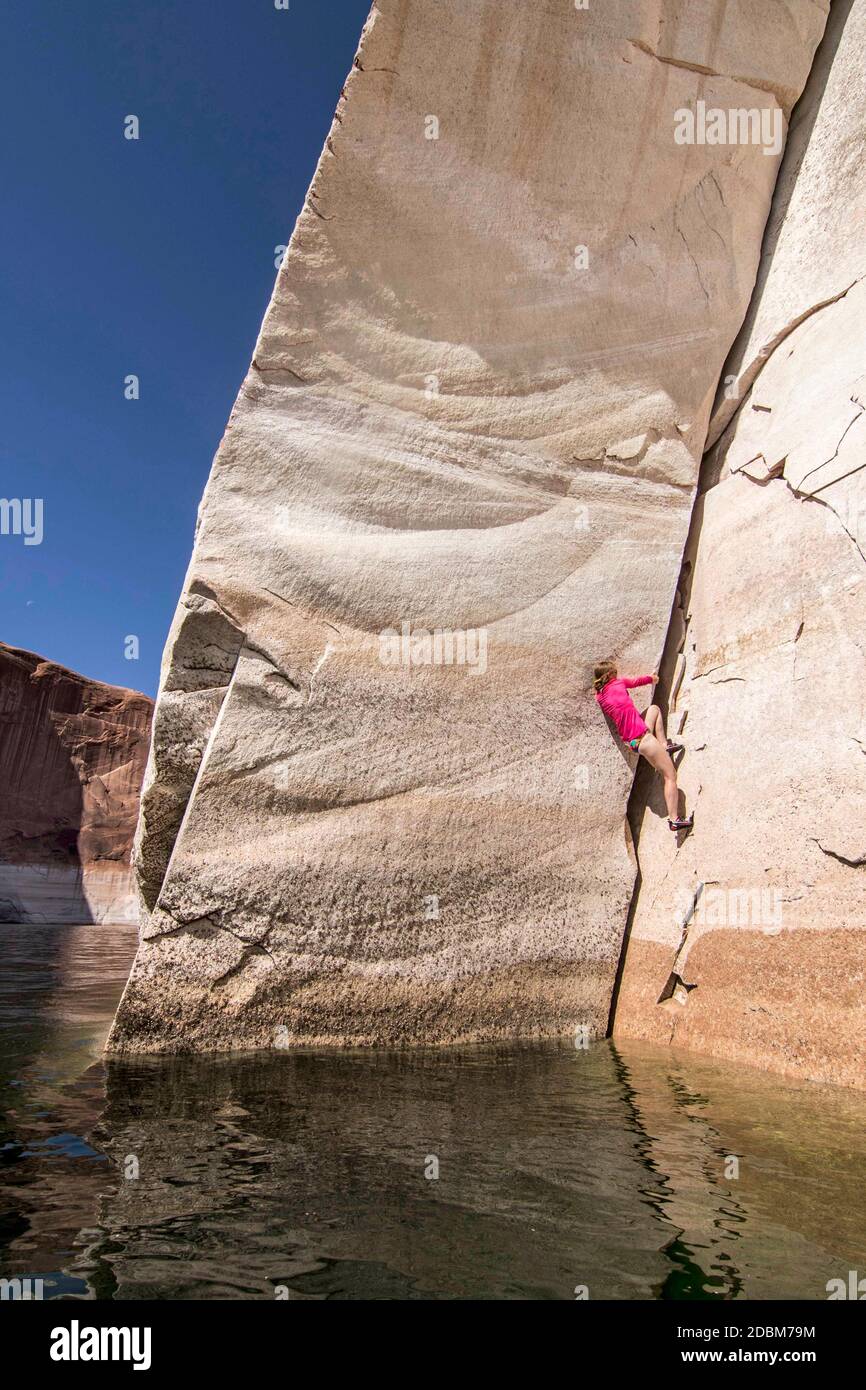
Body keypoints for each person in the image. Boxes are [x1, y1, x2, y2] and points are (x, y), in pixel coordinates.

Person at [593, 660, 693, 833]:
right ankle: (674, 819)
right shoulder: (618, 683)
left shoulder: (600, 697)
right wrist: (653, 678)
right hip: (643, 738)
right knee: (670, 776)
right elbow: (637, 681)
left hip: (632, 741)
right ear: (610, 675)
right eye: (615, 673)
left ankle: (664, 745)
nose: (617, 675)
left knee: (654, 709)